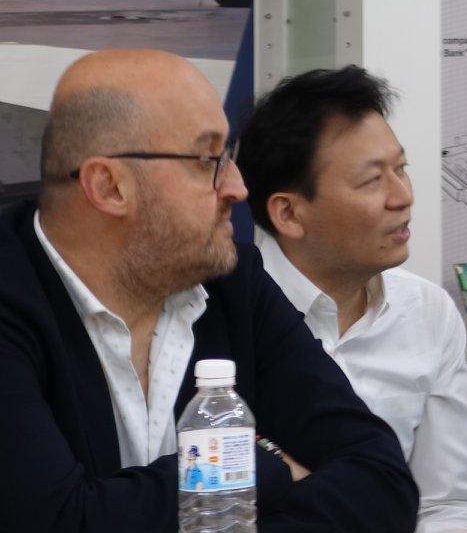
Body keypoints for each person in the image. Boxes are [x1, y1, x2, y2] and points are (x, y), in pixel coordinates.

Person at [0, 48, 417, 531]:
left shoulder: (233, 286)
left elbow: (382, 486)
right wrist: (261, 466)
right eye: (207, 160)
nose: (237, 188)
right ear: (110, 186)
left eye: (228, 157)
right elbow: (57, 522)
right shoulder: (13, 294)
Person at [238, 66, 467, 531]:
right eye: (372, 181)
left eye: (401, 169)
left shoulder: (428, 311)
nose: (403, 197)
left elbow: (450, 501)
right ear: (289, 213)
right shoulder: (223, 315)